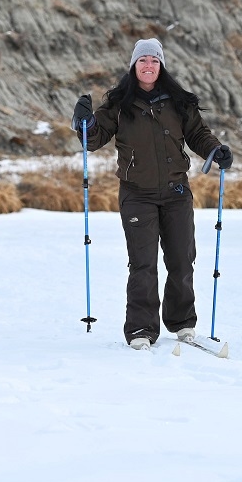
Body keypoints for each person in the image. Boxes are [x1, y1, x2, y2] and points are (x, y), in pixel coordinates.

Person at [71, 38, 232, 350]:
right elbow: (93, 138)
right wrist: (83, 122)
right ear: (134, 65)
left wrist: (215, 150)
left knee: (182, 260)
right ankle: (141, 329)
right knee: (143, 264)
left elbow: (198, 133)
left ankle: (183, 323)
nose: (148, 66)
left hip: (176, 191)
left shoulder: (178, 101)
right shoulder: (119, 104)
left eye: (154, 61)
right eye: (143, 60)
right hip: (137, 194)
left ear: (161, 65)